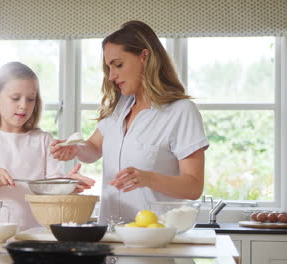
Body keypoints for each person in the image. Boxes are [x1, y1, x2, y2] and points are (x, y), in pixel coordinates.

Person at [51, 21, 209, 224]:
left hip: (154, 238)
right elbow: (93, 148)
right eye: (109, 67)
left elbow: (193, 187)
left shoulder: (180, 111)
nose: (111, 75)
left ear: (144, 57)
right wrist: (74, 148)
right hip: (111, 236)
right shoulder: (120, 107)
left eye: (118, 65)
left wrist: (148, 178)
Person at [0, 62, 95, 231]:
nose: (24, 105)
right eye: (15, 98)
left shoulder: (43, 140)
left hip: (31, 235)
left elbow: (51, 195)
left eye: (30, 99)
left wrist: (68, 185)